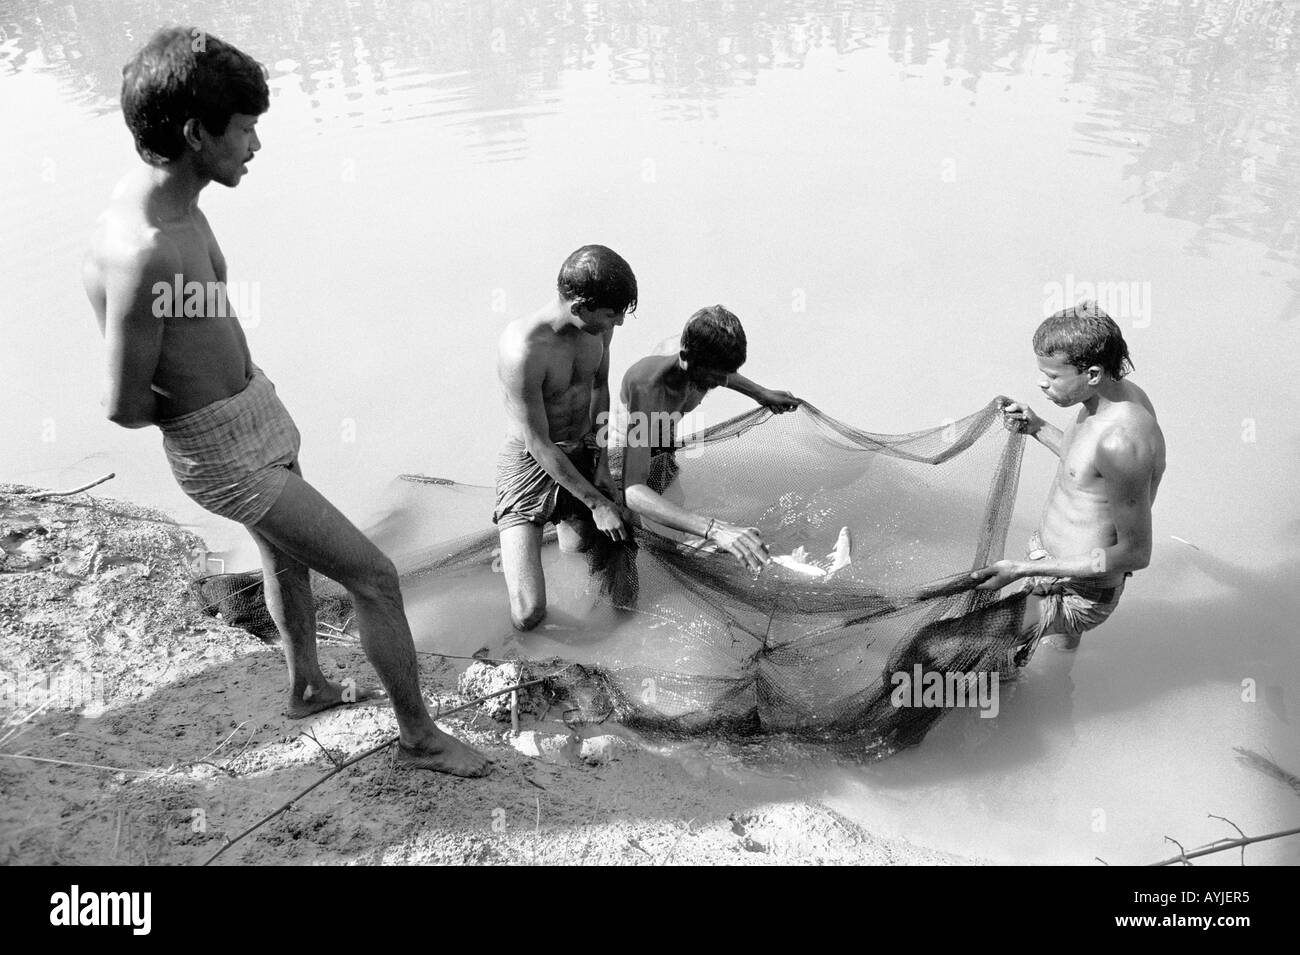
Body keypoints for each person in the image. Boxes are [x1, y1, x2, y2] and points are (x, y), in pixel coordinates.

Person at [83, 27, 489, 777]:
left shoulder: (175, 203)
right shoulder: (142, 248)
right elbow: (122, 403)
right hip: (223, 448)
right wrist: (207, 418)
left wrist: (232, 388)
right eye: (244, 130)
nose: (256, 145)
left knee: (284, 554)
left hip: (253, 409)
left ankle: (306, 683)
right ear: (195, 133)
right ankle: (419, 737)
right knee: (374, 576)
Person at [970, 302, 1166, 662]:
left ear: (1092, 373)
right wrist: (1038, 427)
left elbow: (1136, 554)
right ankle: (1057, 683)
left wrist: (1021, 569)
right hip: (1052, 561)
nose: (1042, 383)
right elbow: (1084, 466)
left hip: (1081, 591)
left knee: (961, 643)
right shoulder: (1106, 398)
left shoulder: (1122, 440)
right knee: (1053, 656)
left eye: (1054, 377)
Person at [494, 245, 637, 631]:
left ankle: (547, 535)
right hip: (530, 461)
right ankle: (513, 547)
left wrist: (603, 462)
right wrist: (596, 503)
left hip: (581, 449)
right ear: (579, 307)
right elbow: (538, 444)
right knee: (528, 615)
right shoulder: (522, 351)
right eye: (612, 313)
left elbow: (600, 388)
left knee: (577, 555)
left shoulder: (598, 331)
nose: (619, 323)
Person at [611, 305, 802, 572]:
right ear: (685, 357)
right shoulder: (648, 387)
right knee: (628, 547)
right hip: (623, 456)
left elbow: (721, 370)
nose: (722, 381)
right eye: (715, 376)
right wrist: (715, 528)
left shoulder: (700, 352)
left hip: (663, 442)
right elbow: (633, 490)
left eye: (725, 373)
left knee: (676, 531)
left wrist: (760, 393)